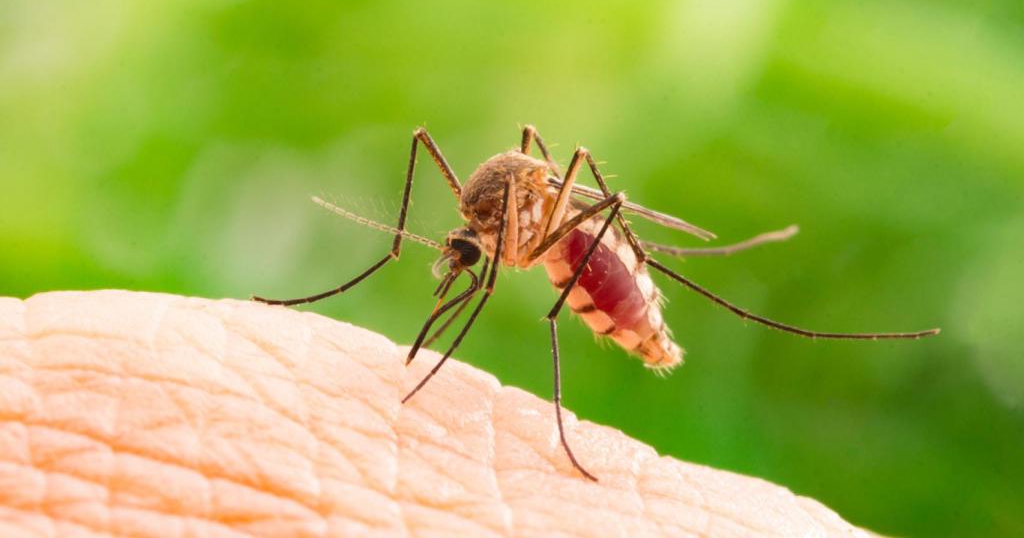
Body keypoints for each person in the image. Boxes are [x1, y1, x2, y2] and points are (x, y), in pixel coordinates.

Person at [0, 291, 872, 537]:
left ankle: (713, 300)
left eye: (461, 260)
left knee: (555, 240)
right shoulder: (484, 227)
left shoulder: (523, 230)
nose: (455, 270)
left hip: (587, 238)